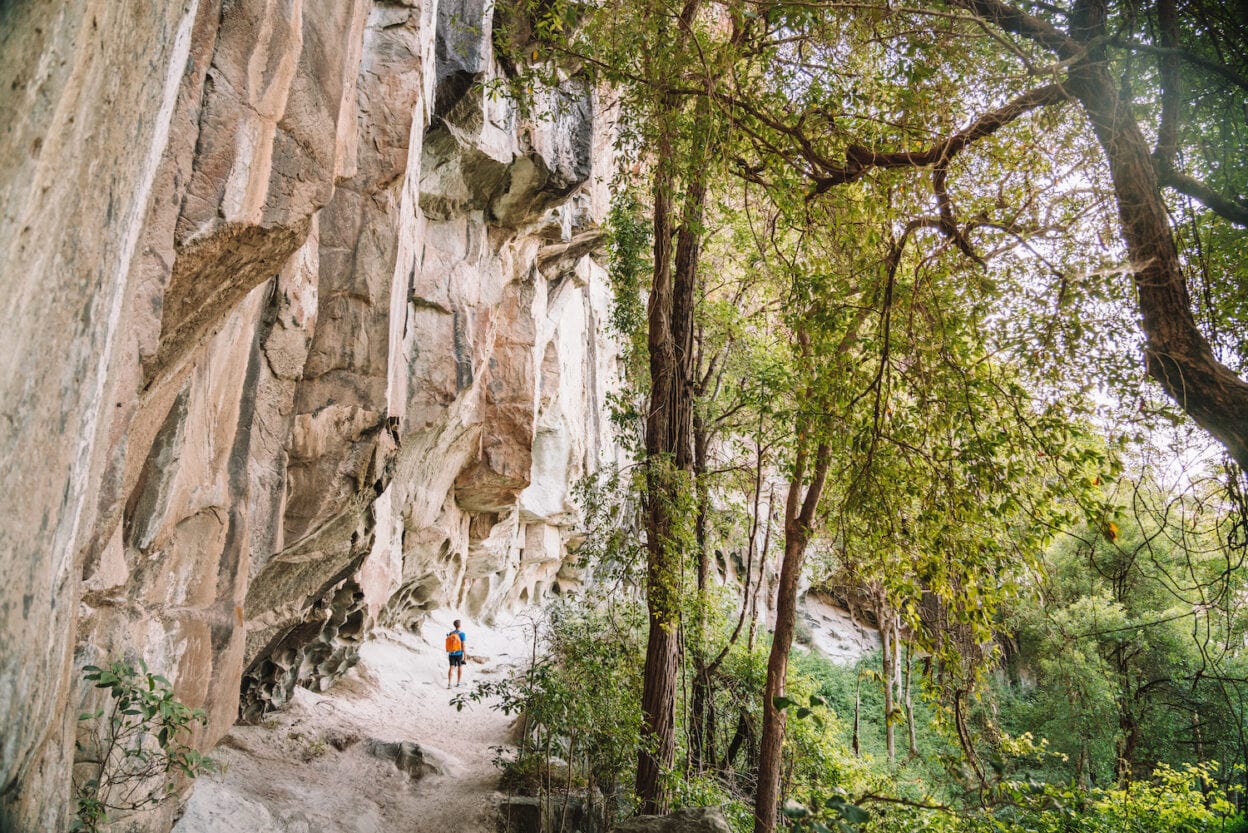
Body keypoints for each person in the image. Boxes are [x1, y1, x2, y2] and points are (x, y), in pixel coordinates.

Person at [446, 619, 467, 689]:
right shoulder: (462, 634)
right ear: (460, 625)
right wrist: (465, 657)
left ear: (454, 625)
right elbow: (463, 646)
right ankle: (458, 683)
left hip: (451, 653)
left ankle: (449, 684)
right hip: (459, 653)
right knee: (459, 667)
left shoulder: (451, 633)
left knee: (451, 667)